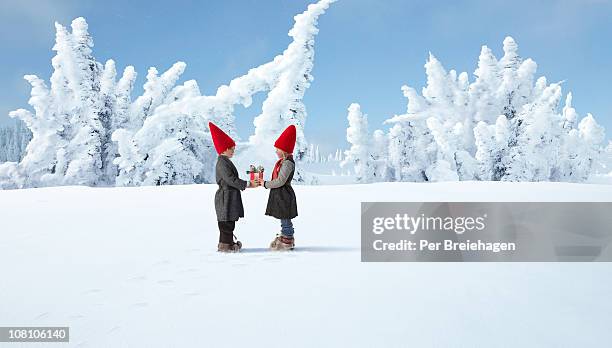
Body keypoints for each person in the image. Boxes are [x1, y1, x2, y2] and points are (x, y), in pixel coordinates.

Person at [209, 122, 258, 253]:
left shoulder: (225, 161)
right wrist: (247, 184)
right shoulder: (222, 162)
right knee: (226, 221)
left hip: (229, 196)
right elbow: (230, 179)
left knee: (229, 221)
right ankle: (226, 246)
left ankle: (228, 243)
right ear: (224, 149)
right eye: (232, 148)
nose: (233, 151)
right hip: (226, 197)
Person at [262, 125, 298, 250]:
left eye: (278, 149)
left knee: (285, 217)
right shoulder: (283, 162)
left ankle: (287, 239)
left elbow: (280, 181)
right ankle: (285, 236)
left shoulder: (287, 163)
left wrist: (265, 184)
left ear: (284, 150)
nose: (276, 151)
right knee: (283, 217)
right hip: (280, 195)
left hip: (284, 195)